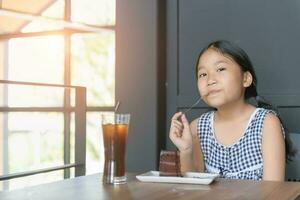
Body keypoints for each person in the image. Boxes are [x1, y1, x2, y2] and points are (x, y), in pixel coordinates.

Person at [169, 40, 295, 181]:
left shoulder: (267, 124)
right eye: (203, 74)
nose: (210, 80)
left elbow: (274, 191)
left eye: (220, 69)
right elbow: (192, 188)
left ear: (246, 79)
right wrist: (186, 151)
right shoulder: (197, 128)